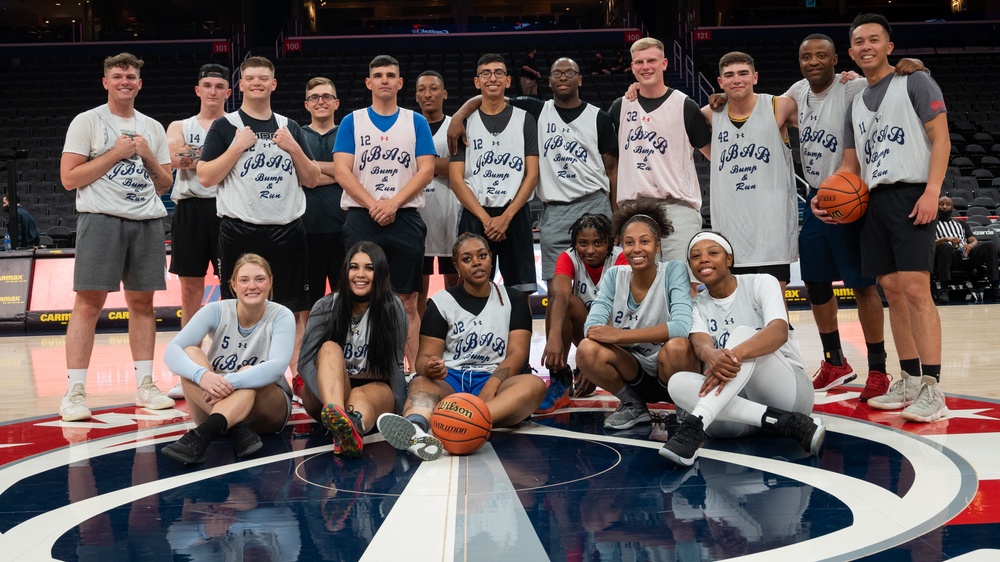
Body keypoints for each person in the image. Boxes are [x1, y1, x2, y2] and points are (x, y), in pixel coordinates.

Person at [446, 56, 617, 404]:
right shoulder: (537, 111)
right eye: (557, 73)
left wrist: (615, 209)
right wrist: (460, 115)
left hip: (591, 203)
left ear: (580, 78)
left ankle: (594, 363)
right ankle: (557, 373)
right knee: (558, 295)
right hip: (552, 210)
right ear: (548, 81)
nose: (564, 77)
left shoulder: (598, 116)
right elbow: (486, 97)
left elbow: (611, 164)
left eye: (570, 72)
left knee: (605, 296)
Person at [785, 35, 926, 399]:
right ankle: (835, 362)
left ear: (837, 59)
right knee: (816, 284)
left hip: (854, 198)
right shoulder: (797, 91)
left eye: (821, 55)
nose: (813, 61)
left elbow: (891, 80)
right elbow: (756, 107)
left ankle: (877, 368)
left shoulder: (855, 85)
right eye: (806, 56)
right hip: (819, 197)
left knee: (863, 285)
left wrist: (910, 64)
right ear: (799, 62)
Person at [836, 13, 951, 423]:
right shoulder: (854, 104)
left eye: (874, 40)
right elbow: (851, 165)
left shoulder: (915, 81)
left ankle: (934, 389)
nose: (866, 46)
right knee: (892, 290)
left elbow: (941, 137)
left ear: (889, 46)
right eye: (859, 42)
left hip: (911, 191)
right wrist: (827, 199)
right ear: (850, 53)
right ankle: (908, 378)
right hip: (873, 200)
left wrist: (932, 192)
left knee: (917, 289)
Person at [58, 52, 175, 422]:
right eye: (118, 75)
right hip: (101, 220)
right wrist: (116, 153)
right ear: (106, 81)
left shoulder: (153, 127)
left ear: (140, 84)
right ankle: (75, 391)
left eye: (131, 76)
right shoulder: (87, 121)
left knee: (143, 305)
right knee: (88, 304)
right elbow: (69, 178)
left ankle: (145, 385)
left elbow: (165, 184)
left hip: (147, 222)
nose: (125, 80)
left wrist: (147, 157)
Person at [197, 56, 321, 384]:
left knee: (293, 310)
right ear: (240, 85)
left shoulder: (289, 126)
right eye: (250, 78)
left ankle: (298, 380)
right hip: (240, 230)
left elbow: (311, 178)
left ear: (273, 84)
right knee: (237, 309)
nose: (256, 83)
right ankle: (236, 374)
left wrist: (294, 148)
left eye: (263, 78)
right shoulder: (225, 126)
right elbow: (206, 176)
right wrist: (236, 148)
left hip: (287, 230)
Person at [376, 233, 547, 460]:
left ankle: (463, 421)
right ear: (457, 266)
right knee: (420, 381)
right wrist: (431, 367)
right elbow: (424, 358)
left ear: (491, 259)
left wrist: (491, 386)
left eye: (482, 255)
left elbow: (518, 354)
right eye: (467, 259)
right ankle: (415, 430)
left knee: (534, 385)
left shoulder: (513, 299)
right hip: (452, 379)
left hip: (494, 379)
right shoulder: (441, 302)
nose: (476, 262)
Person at [659, 232, 824, 466]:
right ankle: (781, 422)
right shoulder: (694, 306)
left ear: (729, 259)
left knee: (743, 336)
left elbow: (778, 331)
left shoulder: (761, 282)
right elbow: (700, 343)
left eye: (713, 253)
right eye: (696, 256)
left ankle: (695, 426)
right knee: (677, 383)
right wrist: (711, 355)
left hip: (788, 394)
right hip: (737, 415)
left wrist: (730, 354)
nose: (703, 259)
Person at [333, 54, 436, 372]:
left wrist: (392, 203)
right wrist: (373, 203)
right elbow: (342, 171)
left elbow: (426, 170)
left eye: (391, 75)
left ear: (400, 82)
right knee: (359, 298)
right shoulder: (352, 121)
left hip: (404, 216)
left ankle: (417, 372)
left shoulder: (415, 121)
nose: (384, 80)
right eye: (378, 75)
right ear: (369, 82)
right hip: (362, 217)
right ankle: (362, 366)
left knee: (407, 300)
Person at [161, 253, 295, 464]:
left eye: (260, 279)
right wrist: (203, 376)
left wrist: (229, 381)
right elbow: (171, 352)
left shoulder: (282, 315)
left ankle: (200, 437)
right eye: (244, 280)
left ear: (270, 282)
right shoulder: (216, 310)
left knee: (248, 375)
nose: (252, 286)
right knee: (190, 353)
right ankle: (237, 429)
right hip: (215, 401)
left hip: (267, 408)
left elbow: (277, 367)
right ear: (233, 285)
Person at [576, 199, 693, 430]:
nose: (636, 249)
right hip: (634, 369)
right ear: (622, 246)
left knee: (678, 346)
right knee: (586, 350)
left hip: (669, 368)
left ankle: (684, 405)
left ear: (658, 246)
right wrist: (651, 335)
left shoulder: (674, 270)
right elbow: (591, 328)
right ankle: (633, 405)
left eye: (645, 241)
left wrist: (619, 336)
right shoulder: (615, 275)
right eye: (629, 242)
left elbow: (681, 327)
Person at [297, 242, 408, 458]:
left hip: (372, 390)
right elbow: (304, 363)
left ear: (380, 272)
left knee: (360, 395)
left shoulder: (392, 307)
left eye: (369, 268)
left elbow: (396, 365)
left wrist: (402, 415)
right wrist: (335, 406)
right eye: (354, 267)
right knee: (329, 348)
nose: (361, 274)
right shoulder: (325, 306)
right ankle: (340, 421)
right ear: (346, 270)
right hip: (327, 393)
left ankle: (351, 427)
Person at [701, 51, 798, 297]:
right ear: (720, 82)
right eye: (729, 75)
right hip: (731, 230)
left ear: (755, 77)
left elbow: (820, 100)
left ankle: (782, 337)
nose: (737, 79)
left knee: (774, 302)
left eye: (743, 73)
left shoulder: (779, 105)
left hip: (771, 230)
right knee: (739, 303)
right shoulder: (710, 114)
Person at [164, 62, 232, 400]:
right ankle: (189, 370)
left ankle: (228, 364)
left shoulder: (236, 124)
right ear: (198, 90)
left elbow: (190, 157)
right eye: (207, 85)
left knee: (232, 292)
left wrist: (200, 156)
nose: (213, 91)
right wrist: (222, 155)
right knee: (190, 292)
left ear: (228, 92)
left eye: (220, 86)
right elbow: (175, 157)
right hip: (189, 211)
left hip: (228, 211)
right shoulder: (180, 124)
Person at [610, 37, 711, 265]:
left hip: (678, 207)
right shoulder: (620, 107)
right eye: (639, 62)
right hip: (633, 208)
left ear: (664, 63)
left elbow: (713, 154)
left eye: (651, 61)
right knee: (640, 288)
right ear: (632, 66)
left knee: (682, 283)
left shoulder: (685, 105)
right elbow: (611, 161)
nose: (646, 67)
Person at [449, 53, 540, 300]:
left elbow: (532, 175)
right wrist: (486, 219)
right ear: (477, 83)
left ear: (508, 81)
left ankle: (519, 339)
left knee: (520, 294)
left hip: (515, 214)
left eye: (499, 72)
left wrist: (506, 217)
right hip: (476, 214)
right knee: (472, 290)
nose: (493, 78)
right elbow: (456, 180)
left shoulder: (526, 119)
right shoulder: (462, 123)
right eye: (486, 73)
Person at [539, 213, 626, 409]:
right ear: (575, 244)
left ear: (610, 243)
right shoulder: (568, 257)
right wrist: (553, 337)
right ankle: (559, 379)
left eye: (598, 243)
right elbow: (560, 296)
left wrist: (591, 362)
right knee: (560, 302)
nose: (590, 250)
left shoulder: (620, 258)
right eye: (583, 243)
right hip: (588, 332)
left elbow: (621, 311)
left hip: (616, 335)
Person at [414, 71, 461, 317]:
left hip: (449, 217)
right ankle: (421, 347)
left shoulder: (455, 126)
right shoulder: (409, 127)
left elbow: (457, 169)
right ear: (416, 96)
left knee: (453, 287)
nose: (427, 94)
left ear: (444, 94)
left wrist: (421, 164)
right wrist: (439, 165)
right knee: (416, 294)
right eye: (422, 89)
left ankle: (452, 340)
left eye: (433, 89)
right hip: (416, 218)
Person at [301, 77, 347, 307]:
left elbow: (356, 174)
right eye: (314, 97)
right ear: (306, 104)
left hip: (344, 231)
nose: (321, 101)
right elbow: (301, 178)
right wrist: (340, 173)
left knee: (347, 303)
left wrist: (311, 167)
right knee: (309, 305)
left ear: (336, 103)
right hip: (306, 232)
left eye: (327, 96)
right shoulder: (296, 135)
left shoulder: (348, 133)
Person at [934, 196, 999, 302]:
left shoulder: (961, 223)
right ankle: (944, 289)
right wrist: (945, 239)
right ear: (936, 206)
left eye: (947, 204)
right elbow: (929, 245)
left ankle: (995, 286)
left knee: (989, 245)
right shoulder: (931, 225)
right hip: (946, 258)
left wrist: (970, 245)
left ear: (952, 208)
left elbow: (974, 240)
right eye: (941, 204)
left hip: (965, 255)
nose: (944, 207)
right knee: (945, 247)